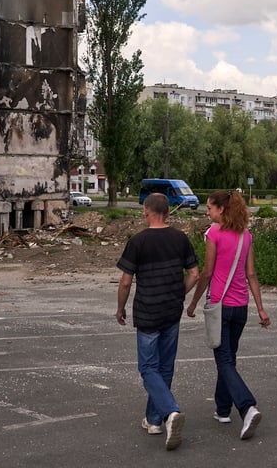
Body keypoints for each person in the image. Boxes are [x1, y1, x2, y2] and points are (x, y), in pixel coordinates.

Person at [116, 192, 199, 451]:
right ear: (167, 211)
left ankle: (169, 411)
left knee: (148, 368)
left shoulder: (138, 242)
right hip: (171, 312)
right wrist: (178, 294)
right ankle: (153, 420)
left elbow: (127, 280)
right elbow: (195, 274)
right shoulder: (180, 238)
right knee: (165, 367)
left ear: (146, 211)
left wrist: (120, 308)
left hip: (147, 312)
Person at [185, 189, 271, 441]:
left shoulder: (213, 234)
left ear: (221, 209)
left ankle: (247, 407)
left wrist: (193, 302)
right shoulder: (246, 236)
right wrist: (261, 308)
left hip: (220, 306)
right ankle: (223, 410)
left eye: (210, 207)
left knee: (223, 361)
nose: (207, 211)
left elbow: (207, 272)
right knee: (229, 358)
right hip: (241, 307)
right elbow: (251, 275)